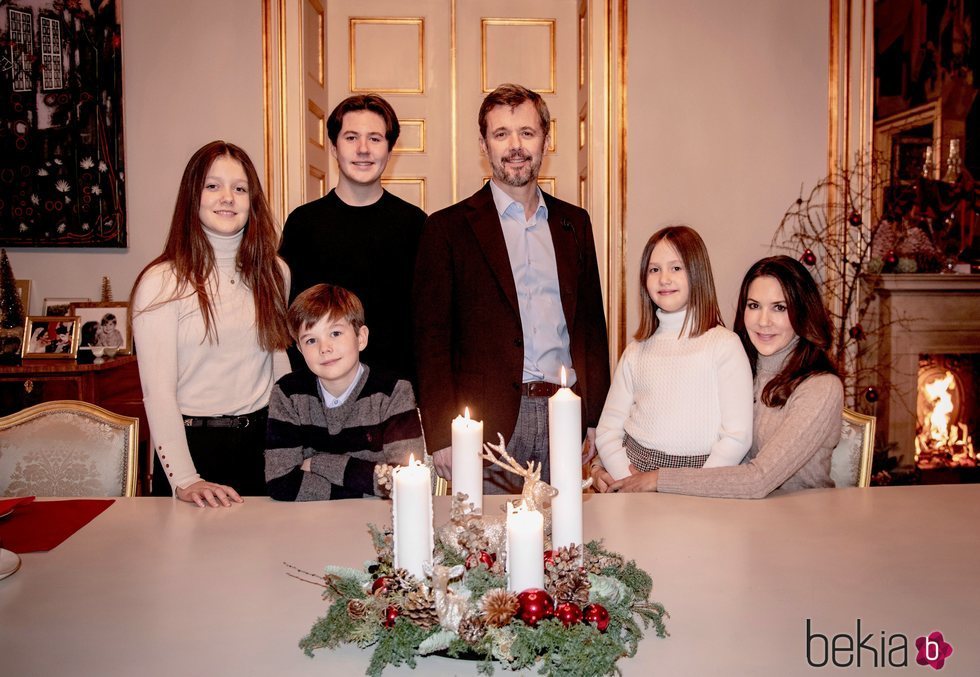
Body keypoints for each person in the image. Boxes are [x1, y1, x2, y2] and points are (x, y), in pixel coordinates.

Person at [413, 83, 610, 493]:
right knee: (485, 547)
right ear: (484, 144)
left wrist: (595, 418)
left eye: (527, 132)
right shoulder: (447, 229)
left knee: (564, 544)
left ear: (545, 141)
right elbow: (431, 339)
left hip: (565, 413)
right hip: (486, 424)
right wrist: (441, 433)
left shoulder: (575, 223)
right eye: (501, 134)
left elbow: (591, 327)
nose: (515, 146)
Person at [131, 140, 291, 508]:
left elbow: (276, 362)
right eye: (213, 185)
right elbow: (159, 393)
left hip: (262, 446)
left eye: (240, 188)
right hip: (192, 449)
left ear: (253, 200)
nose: (228, 198)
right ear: (193, 196)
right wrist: (186, 479)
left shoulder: (275, 273)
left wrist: (292, 440)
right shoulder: (161, 282)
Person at [602, 255, 843, 498]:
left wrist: (657, 479)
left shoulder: (821, 388)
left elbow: (758, 480)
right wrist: (604, 467)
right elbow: (670, 424)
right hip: (733, 511)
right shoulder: (738, 363)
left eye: (779, 307)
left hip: (799, 519)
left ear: (803, 312)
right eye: (754, 305)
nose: (763, 321)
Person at [279, 94, 425, 384]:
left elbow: (426, 323)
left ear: (389, 148)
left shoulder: (416, 224)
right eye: (351, 137)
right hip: (320, 394)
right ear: (334, 147)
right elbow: (289, 321)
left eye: (374, 139)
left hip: (397, 394)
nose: (363, 150)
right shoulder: (303, 224)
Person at [592, 226, 753, 481]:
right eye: (654, 269)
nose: (664, 278)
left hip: (699, 472)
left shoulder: (724, 345)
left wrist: (697, 485)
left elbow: (737, 436)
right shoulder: (636, 351)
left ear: (698, 273)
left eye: (676, 268)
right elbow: (608, 428)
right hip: (635, 467)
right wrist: (624, 475)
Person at [264, 284, 424, 501]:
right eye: (311, 340)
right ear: (300, 350)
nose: (324, 348)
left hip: (377, 520)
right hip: (311, 521)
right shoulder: (288, 394)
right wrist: (363, 487)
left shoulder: (393, 392)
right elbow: (280, 482)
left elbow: (404, 480)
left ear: (361, 338)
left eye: (335, 333)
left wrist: (320, 463)